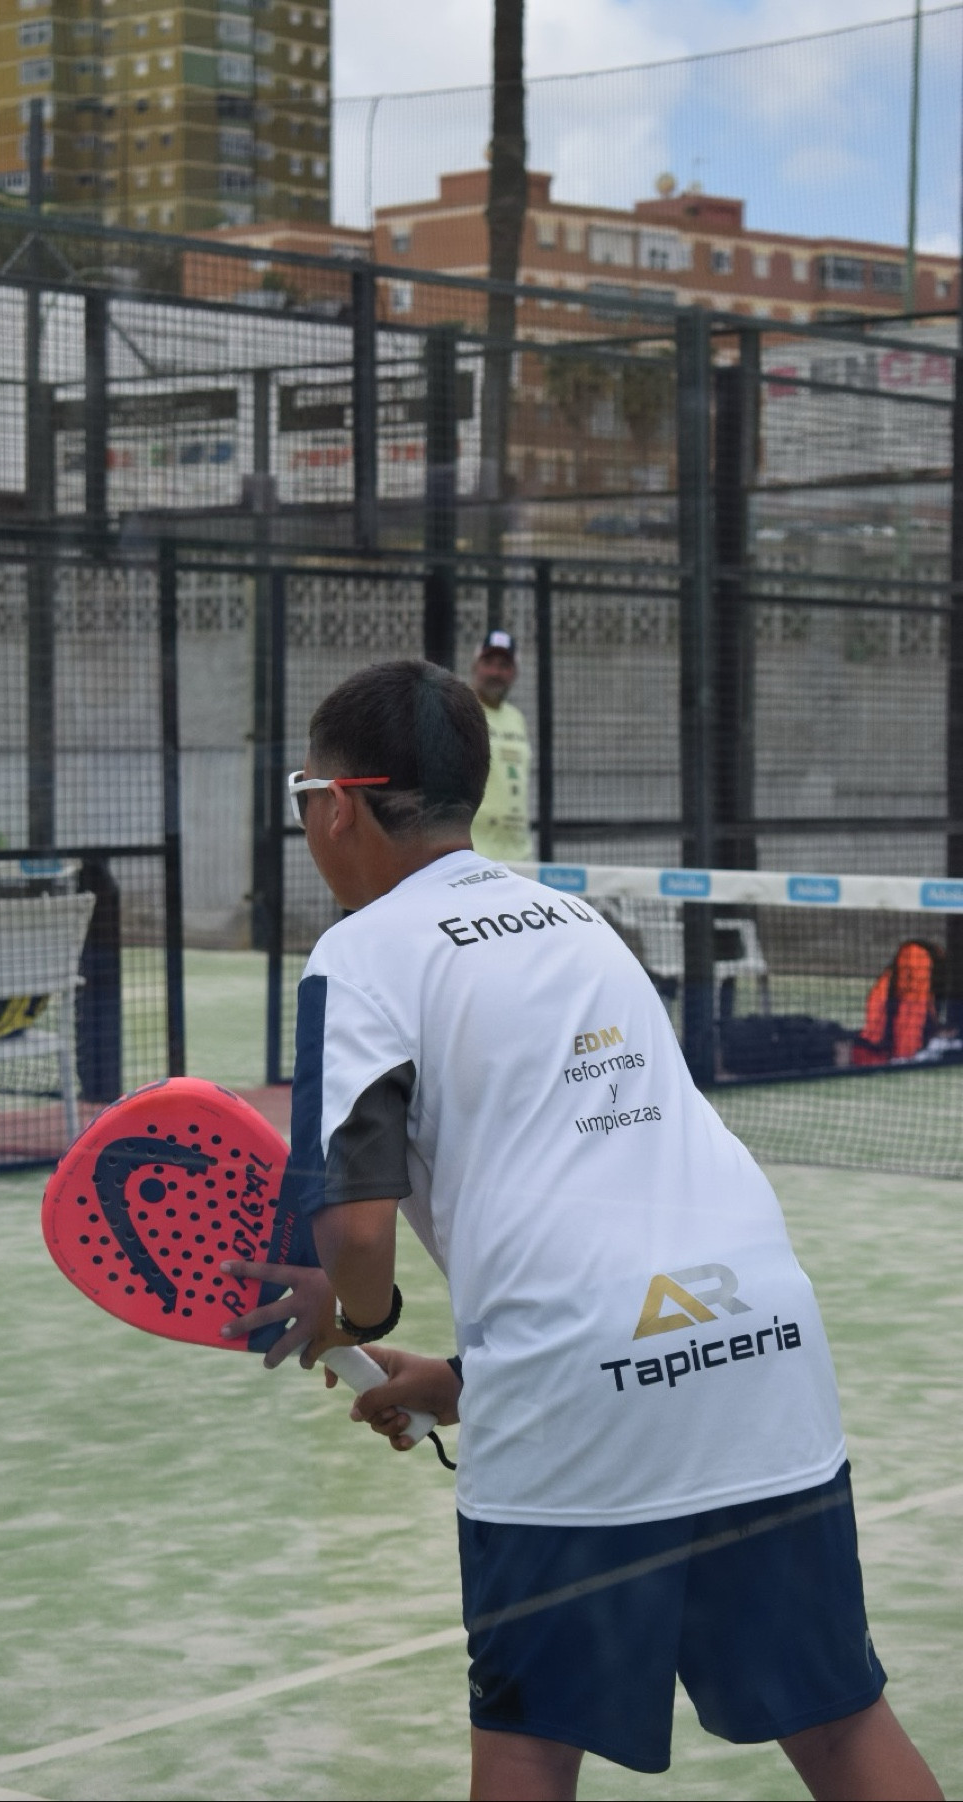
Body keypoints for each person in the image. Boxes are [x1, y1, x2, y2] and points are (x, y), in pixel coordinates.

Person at [223, 659, 940, 1802]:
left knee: (527, 1743)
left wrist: (357, 1316)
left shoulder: (356, 954)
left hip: (579, 1392)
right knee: (842, 1724)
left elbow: (353, 1231)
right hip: (761, 1346)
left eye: (306, 793)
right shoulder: (577, 919)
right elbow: (608, 1185)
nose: (307, 819)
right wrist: (466, 1378)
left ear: (343, 804)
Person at [469, 627, 532, 864]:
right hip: (475, 854)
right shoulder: (462, 709)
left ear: (514, 673)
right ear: (475, 666)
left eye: (504, 665)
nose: (495, 672)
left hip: (519, 856)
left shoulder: (517, 718)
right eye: (488, 663)